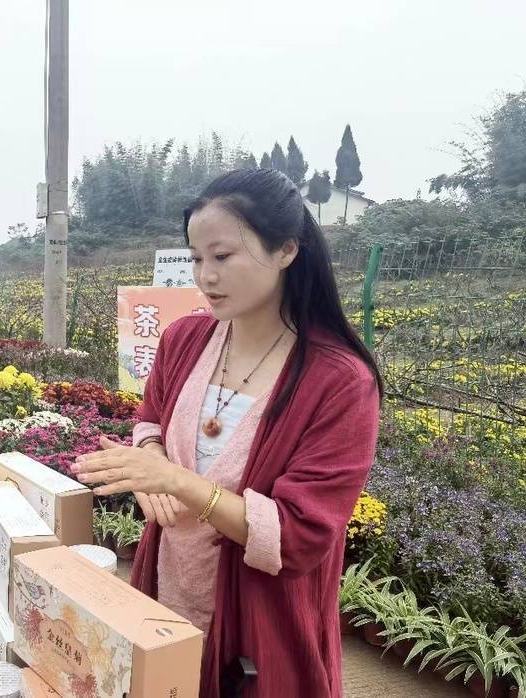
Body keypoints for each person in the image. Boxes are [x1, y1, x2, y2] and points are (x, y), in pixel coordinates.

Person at [70, 169, 382, 697]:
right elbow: (151, 419)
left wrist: (175, 480)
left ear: (286, 250)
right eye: (195, 258)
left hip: (261, 623)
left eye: (222, 256)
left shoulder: (340, 382)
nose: (205, 276)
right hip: (168, 583)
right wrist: (148, 461)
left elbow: (298, 536)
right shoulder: (185, 339)